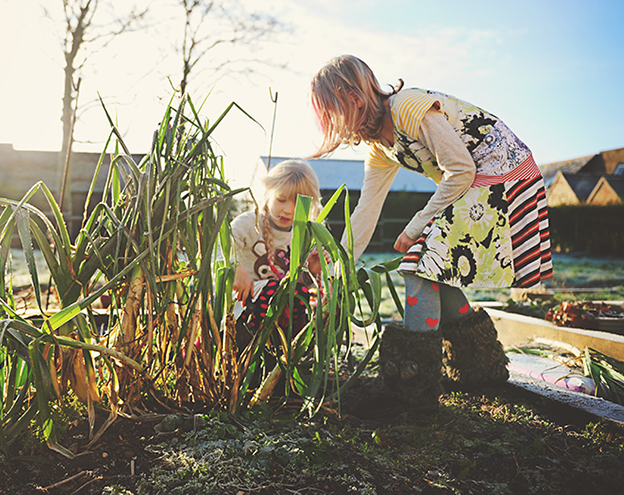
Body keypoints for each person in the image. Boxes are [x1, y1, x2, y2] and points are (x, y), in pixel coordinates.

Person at [310, 54, 553, 414]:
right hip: (476, 183)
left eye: (331, 112)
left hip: (504, 176)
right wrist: (335, 262)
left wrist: (415, 225)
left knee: (419, 264)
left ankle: (410, 396)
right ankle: (480, 370)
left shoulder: (408, 107)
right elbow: (366, 212)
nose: (332, 124)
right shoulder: (380, 148)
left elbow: (460, 169)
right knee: (433, 270)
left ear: (353, 97)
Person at [231, 159, 325, 350]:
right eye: (281, 199)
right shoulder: (249, 223)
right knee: (274, 291)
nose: (288, 210)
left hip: (280, 311)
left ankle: (286, 352)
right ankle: (248, 348)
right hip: (243, 307)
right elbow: (217, 248)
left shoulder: (307, 232)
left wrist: (311, 272)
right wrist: (235, 268)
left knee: (297, 295)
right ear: (268, 193)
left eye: (299, 202)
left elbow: (299, 283)